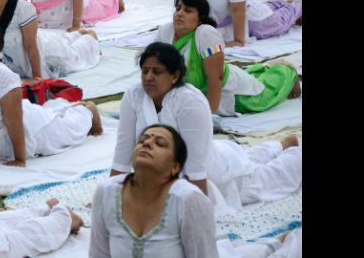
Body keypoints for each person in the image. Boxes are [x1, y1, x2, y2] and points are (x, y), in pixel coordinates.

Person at [111, 42, 303, 214]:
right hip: (164, 175)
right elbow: (123, 150)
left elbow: (196, 166)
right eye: (145, 71)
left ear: (175, 76)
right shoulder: (134, 95)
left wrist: (195, 212)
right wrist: (110, 196)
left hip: (211, 173)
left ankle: (293, 151)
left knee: (265, 181)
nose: (148, 78)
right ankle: (279, 145)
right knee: (248, 156)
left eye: (157, 72)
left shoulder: (189, 101)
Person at [0, 24, 103, 166]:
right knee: (52, 113)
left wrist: (20, 158)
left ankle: (87, 110)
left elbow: (14, 120)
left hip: (30, 130)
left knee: (69, 129)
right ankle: (70, 107)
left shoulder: (1, 75)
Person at [156, 0, 301, 115]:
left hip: (229, 93)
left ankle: (287, 71)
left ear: (200, 18)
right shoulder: (165, 32)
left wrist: (210, 117)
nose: (180, 13)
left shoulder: (206, 34)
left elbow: (215, 79)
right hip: (192, 95)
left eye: (188, 11)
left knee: (261, 99)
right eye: (178, 8)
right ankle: (265, 68)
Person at [91, 123, 219, 256]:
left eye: (160, 143)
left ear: (175, 167)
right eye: (142, 140)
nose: (147, 143)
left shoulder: (189, 200)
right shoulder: (107, 192)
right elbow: (98, 253)